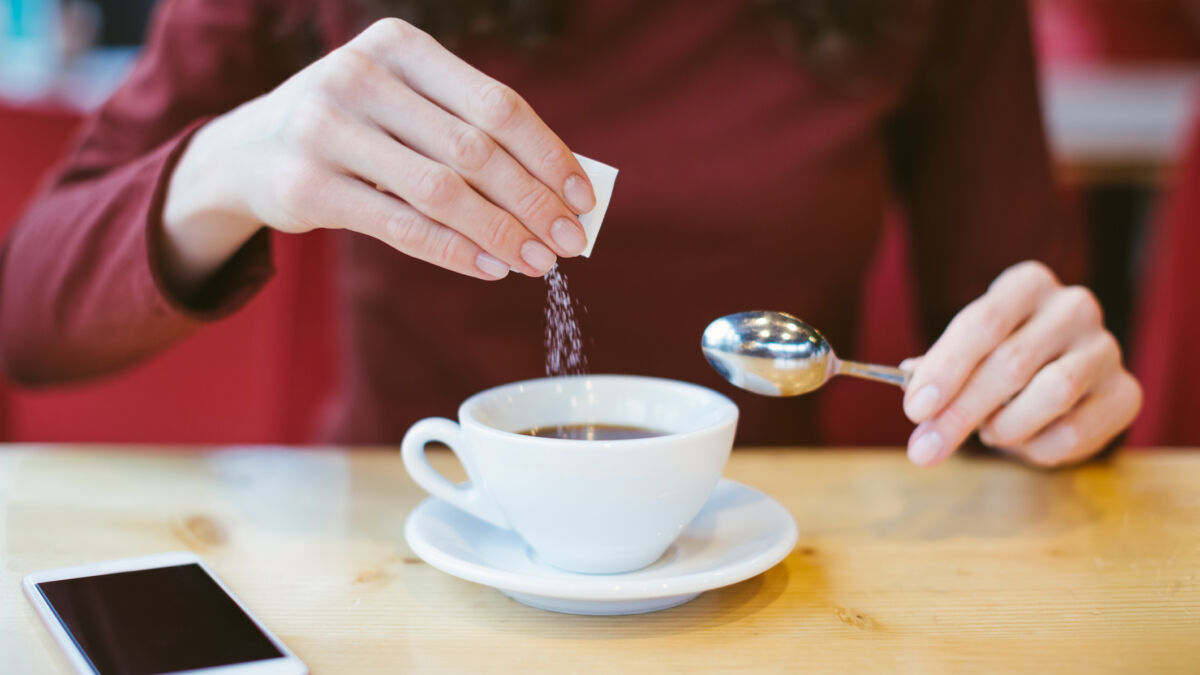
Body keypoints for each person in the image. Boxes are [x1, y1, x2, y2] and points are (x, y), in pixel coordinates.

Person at [0, 0, 1141, 467]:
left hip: (769, 567)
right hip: (400, 549)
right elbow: (29, 322)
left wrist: (1045, 388)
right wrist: (234, 163)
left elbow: (1008, 333)